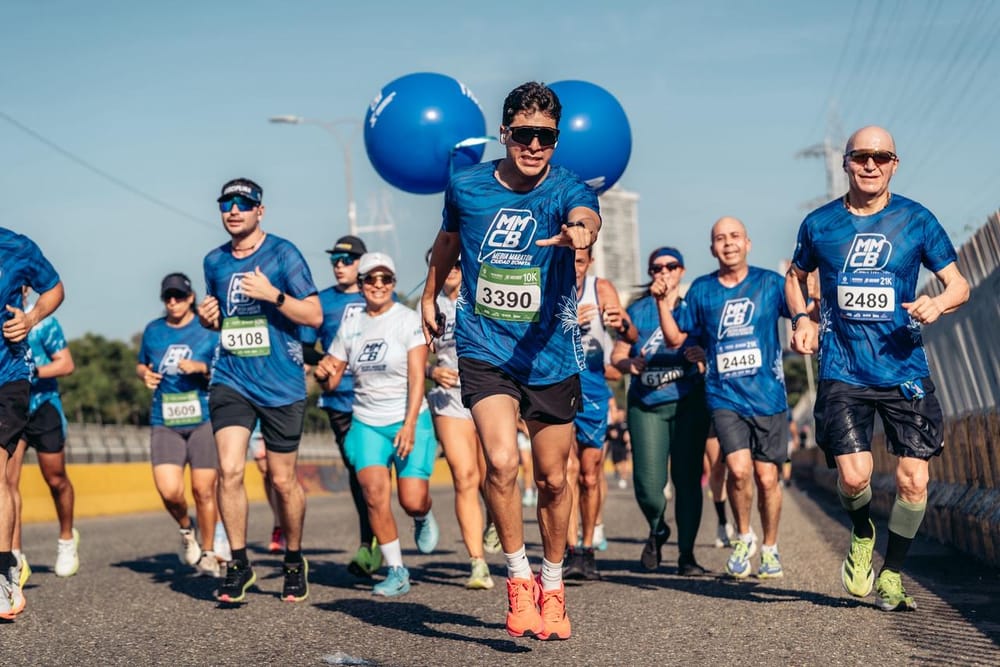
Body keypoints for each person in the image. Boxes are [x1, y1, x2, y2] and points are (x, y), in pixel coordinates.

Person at [421, 81, 601, 641]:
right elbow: (447, 242)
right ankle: (518, 579)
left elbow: (586, 219)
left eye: (544, 137)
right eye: (522, 134)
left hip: (549, 352)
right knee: (500, 463)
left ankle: (553, 583)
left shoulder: (569, 189)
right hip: (485, 346)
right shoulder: (467, 186)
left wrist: (579, 232)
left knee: (552, 480)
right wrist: (429, 296)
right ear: (504, 133)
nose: (533, 145)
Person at [786, 126, 969, 611]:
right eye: (861, 156)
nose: (871, 165)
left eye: (881, 157)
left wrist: (939, 303)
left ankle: (892, 573)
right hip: (843, 369)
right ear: (846, 162)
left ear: (894, 164)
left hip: (903, 367)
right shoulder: (820, 224)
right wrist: (803, 317)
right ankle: (863, 532)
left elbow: (959, 285)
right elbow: (795, 276)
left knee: (913, 480)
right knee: (854, 476)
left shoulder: (916, 219)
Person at [197, 178, 322, 604]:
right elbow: (222, 319)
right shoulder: (214, 262)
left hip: (282, 383)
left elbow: (315, 315)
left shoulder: (283, 254)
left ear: (259, 211)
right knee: (230, 471)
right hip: (231, 378)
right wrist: (209, 317)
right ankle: (238, 563)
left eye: (243, 204)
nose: (234, 210)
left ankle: (293, 558)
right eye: (226, 204)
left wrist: (275, 295)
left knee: (284, 481)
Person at [656, 220, 791, 580]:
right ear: (712, 248)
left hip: (768, 395)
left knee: (766, 478)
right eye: (720, 238)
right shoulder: (702, 290)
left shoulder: (770, 284)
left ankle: (771, 548)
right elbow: (675, 338)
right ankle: (744, 536)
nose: (728, 244)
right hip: (724, 395)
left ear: (747, 243)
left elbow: (804, 312)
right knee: (739, 470)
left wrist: (808, 295)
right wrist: (663, 305)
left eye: (734, 237)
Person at [315, 252, 438, 598]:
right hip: (366, 422)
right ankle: (397, 570)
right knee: (373, 495)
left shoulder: (407, 320)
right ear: (362, 284)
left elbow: (418, 379)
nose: (378, 285)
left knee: (412, 499)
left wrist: (410, 424)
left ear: (394, 284)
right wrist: (323, 373)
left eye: (386, 279)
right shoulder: (352, 323)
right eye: (371, 279)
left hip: (408, 417)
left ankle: (423, 515)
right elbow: (333, 380)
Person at [611, 247, 711, 575]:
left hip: (688, 404)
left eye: (671, 266)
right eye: (657, 267)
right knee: (648, 486)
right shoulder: (638, 310)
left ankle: (687, 555)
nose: (663, 271)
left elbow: (715, 346)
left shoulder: (693, 308)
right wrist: (629, 363)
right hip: (647, 405)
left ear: (682, 271)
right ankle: (657, 528)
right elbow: (618, 354)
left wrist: (702, 355)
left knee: (687, 481)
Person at [137, 273, 222, 578]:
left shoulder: (207, 329)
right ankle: (187, 531)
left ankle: (210, 552)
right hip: (166, 420)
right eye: (167, 297)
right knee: (170, 491)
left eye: (179, 296)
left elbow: (225, 367)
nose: (173, 302)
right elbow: (142, 363)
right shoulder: (154, 330)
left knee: (203, 490)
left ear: (190, 298)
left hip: (202, 418)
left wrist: (202, 368)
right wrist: (144, 374)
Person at [0, 227, 64, 620]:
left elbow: (54, 287)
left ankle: (3, 568)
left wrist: (31, 317)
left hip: (7, 377)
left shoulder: (16, 247)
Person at [309, 234, 381, 577]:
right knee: (359, 471)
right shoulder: (321, 302)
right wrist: (325, 361)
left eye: (346, 259)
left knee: (378, 473)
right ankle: (370, 542)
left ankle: (382, 534)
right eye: (334, 259)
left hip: (381, 398)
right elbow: (306, 345)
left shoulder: (383, 295)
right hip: (340, 400)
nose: (339, 265)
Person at [423, 250, 493, 590]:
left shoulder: (484, 295)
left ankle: (495, 517)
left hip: (489, 394)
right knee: (465, 477)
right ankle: (477, 563)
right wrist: (431, 370)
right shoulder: (428, 307)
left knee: (493, 475)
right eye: (441, 264)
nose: (449, 269)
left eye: (455, 263)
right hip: (450, 401)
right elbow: (413, 357)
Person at [564, 247, 633, 581]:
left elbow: (627, 334)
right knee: (562, 473)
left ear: (589, 262)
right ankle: (567, 549)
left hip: (592, 387)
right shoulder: (544, 287)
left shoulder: (600, 287)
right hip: (554, 385)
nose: (574, 267)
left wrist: (619, 322)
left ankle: (588, 547)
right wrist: (566, 322)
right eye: (568, 259)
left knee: (589, 474)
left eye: (579, 260)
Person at [6, 286, 79, 585]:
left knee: (55, 479)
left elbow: (66, 363)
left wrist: (30, 371)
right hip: (12, 409)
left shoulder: (43, 321)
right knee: (8, 483)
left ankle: (66, 538)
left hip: (44, 407)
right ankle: (14, 558)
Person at [704, 433, 736, 548]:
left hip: (738, 416)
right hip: (711, 418)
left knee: (737, 470)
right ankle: (723, 522)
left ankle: (741, 524)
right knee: (717, 470)